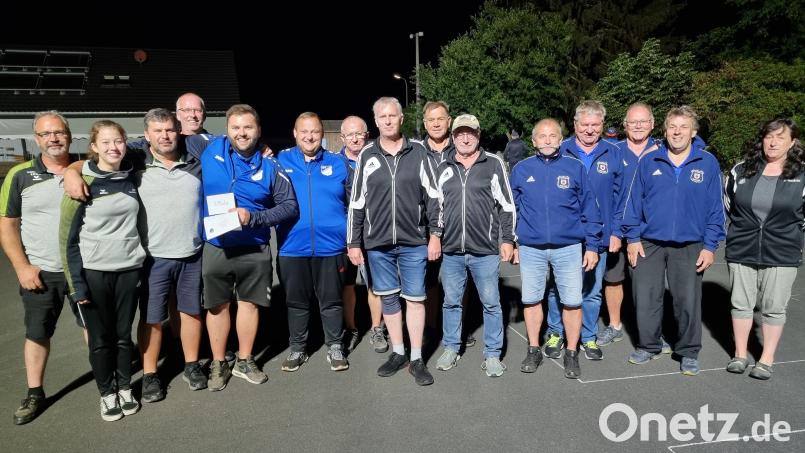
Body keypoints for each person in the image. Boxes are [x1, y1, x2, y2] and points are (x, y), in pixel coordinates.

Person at [198, 104, 298, 391]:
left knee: (249, 304)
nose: (241, 133)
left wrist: (253, 218)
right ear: (227, 130)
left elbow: (289, 206)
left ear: (258, 130)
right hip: (217, 245)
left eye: (248, 127)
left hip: (254, 247)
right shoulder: (210, 149)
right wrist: (82, 166)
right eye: (236, 127)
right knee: (217, 306)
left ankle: (244, 360)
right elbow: (156, 142)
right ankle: (219, 362)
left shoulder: (271, 165)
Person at [624, 106, 725, 376]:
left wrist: (710, 246)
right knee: (645, 297)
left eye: (683, 127)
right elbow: (633, 203)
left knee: (687, 300)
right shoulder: (649, 161)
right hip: (649, 243)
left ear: (693, 132)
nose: (677, 132)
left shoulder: (707, 163)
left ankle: (688, 351)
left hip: (690, 244)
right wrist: (632, 238)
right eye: (672, 127)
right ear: (665, 130)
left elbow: (716, 209)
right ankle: (649, 345)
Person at [347, 97, 442, 386]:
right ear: (375, 121)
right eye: (382, 116)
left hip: (414, 241)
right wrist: (353, 243)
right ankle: (398, 352)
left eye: (392, 115)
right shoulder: (367, 155)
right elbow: (357, 203)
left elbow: (434, 197)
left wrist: (435, 235)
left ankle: (416, 358)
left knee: (415, 299)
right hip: (377, 243)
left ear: (401, 118)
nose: (388, 120)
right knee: (388, 298)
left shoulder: (419, 152)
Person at [60, 120, 146, 421]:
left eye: (118, 141)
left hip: (129, 270)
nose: (113, 147)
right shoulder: (82, 182)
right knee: (100, 340)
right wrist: (76, 285)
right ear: (94, 146)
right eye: (106, 142)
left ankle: (125, 388)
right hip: (94, 273)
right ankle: (107, 394)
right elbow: (67, 240)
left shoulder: (132, 175)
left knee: (123, 336)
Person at [0, 111, 83, 425]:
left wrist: (75, 169)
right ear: (36, 139)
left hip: (83, 269)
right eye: (46, 134)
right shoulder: (19, 175)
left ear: (69, 135)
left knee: (93, 327)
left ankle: (108, 381)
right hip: (41, 271)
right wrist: (22, 267)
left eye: (59, 132)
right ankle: (35, 392)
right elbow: (7, 225)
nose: (54, 139)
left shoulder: (87, 169)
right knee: (37, 333)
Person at [510, 118, 602, 379]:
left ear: (561, 140)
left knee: (572, 302)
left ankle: (571, 352)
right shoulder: (521, 169)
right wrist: (513, 242)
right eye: (542, 136)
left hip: (569, 247)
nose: (548, 140)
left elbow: (590, 209)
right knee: (531, 299)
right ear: (533, 141)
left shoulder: (575, 167)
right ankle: (533, 349)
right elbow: (512, 210)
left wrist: (592, 246)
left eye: (553, 136)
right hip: (531, 247)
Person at [432, 114, 515, 377]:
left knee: (491, 303)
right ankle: (451, 348)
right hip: (452, 251)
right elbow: (436, 207)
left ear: (478, 135)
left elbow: (507, 205)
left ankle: (492, 354)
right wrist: (435, 236)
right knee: (451, 302)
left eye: (470, 133)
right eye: (460, 133)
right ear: (453, 137)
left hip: (485, 250)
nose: (465, 138)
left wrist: (508, 239)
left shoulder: (493, 163)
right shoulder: (443, 166)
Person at [724, 118, 804, 380]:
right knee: (740, 304)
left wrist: (787, 235)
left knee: (774, 307)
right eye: (769, 136)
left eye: (781, 137)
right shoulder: (741, 171)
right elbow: (729, 205)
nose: (773, 142)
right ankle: (739, 355)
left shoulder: (802, 174)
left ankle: (766, 359)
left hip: (782, 251)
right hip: (742, 246)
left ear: (792, 142)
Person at [134, 108, 206, 401]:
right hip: (154, 257)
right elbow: (95, 160)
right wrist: (73, 171)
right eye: (158, 131)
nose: (165, 136)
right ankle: (150, 374)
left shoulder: (195, 163)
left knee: (191, 312)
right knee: (152, 319)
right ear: (147, 135)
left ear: (178, 131)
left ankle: (191, 364)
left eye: (169, 130)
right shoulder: (135, 163)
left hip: (192, 253)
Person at [545, 101, 624, 362]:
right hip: (564, 236)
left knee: (592, 291)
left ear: (603, 125)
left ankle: (588, 337)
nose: (590, 130)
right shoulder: (561, 150)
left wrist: (616, 232)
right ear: (575, 124)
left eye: (595, 125)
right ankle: (556, 333)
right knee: (558, 288)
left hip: (599, 236)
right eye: (585, 124)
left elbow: (620, 198)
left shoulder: (613, 153)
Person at [276, 112, 352, 372]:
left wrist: (349, 235)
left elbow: (355, 202)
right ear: (295, 133)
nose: (309, 137)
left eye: (315, 132)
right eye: (304, 131)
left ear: (322, 134)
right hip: (292, 247)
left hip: (332, 247)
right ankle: (298, 348)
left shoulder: (338, 163)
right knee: (296, 302)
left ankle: (335, 346)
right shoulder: (280, 161)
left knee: (332, 301)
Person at [598, 103, 661, 347]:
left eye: (643, 121)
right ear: (624, 125)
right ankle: (615, 325)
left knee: (646, 285)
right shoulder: (613, 151)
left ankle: (650, 332)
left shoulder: (662, 151)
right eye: (633, 122)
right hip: (616, 228)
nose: (638, 126)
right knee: (613, 279)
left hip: (647, 231)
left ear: (652, 124)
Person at [338, 116, 387, 354]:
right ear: (342, 138)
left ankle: (377, 328)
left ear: (367, 135)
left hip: (373, 233)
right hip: (344, 235)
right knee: (347, 284)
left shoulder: (378, 159)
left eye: (359, 133)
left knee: (375, 284)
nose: (355, 138)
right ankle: (351, 328)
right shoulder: (334, 163)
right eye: (350, 134)